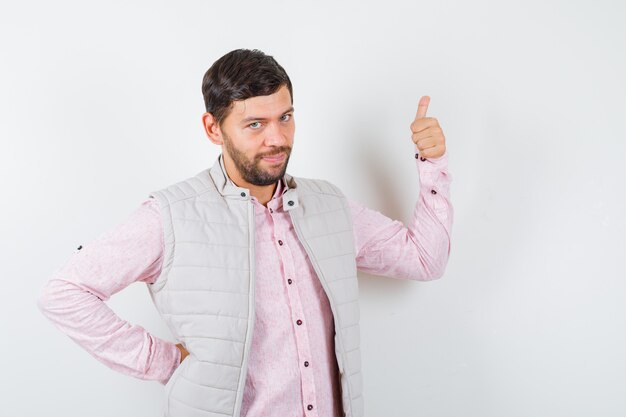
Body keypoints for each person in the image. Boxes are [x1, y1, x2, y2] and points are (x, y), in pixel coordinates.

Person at [38, 48, 453, 417]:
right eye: (255, 124)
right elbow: (64, 293)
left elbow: (424, 259)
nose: (277, 139)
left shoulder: (328, 205)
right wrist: (164, 362)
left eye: (285, 118)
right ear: (213, 128)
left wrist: (432, 162)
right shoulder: (170, 215)